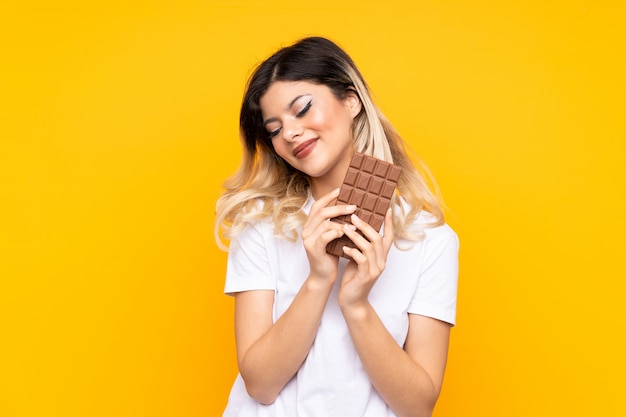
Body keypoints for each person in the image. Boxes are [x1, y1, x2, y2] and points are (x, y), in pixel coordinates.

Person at [215, 36, 459, 417]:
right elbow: (260, 386)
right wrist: (318, 280)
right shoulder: (260, 224)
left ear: (351, 100)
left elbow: (417, 407)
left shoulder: (430, 240)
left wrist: (356, 303)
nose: (291, 134)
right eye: (274, 129)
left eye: (303, 109)